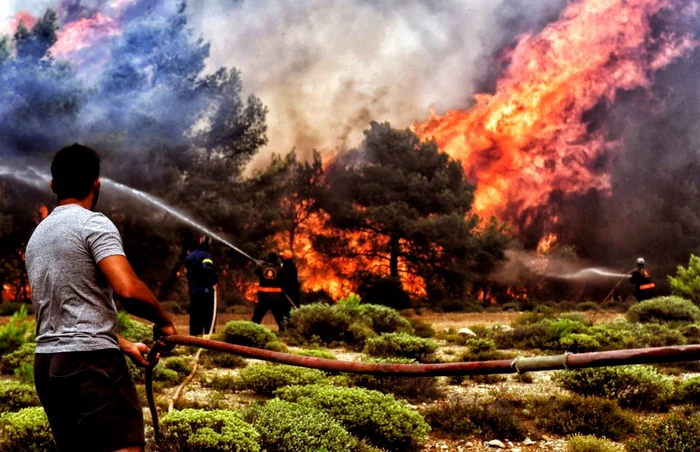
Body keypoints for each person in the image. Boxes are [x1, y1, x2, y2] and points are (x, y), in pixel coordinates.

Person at [25, 143, 178, 452]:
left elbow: (69, 311)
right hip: (90, 364)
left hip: (48, 366)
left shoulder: (38, 236)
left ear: (54, 185)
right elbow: (128, 290)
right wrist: (164, 322)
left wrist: (123, 345)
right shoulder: (93, 223)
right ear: (97, 182)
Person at [185, 236, 218, 335]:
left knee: (195, 315)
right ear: (209, 245)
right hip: (205, 290)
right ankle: (209, 339)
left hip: (193, 290)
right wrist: (214, 281)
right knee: (208, 315)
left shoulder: (190, 256)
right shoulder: (206, 256)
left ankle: (194, 338)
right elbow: (207, 269)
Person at [251, 252, 291, 330]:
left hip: (263, 296)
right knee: (279, 314)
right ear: (276, 259)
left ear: (268, 259)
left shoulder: (262, 268)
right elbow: (286, 280)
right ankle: (282, 329)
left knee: (258, 314)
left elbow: (256, 272)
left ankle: (253, 328)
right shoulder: (279, 269)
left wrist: (259, 265)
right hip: (276, 297)